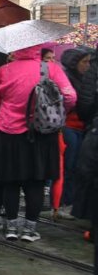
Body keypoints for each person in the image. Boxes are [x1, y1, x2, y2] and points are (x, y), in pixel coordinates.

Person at [0, 43, 76, 242]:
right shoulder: (51, 69)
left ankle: (11, 227)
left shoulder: (5, 70)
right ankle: (29, 230)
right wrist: (58, 113)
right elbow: (70, 96)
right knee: (36, 182)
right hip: (42, 133)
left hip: (9, 133)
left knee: (10, 182)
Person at [59, 48, 96, 219]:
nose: (87, 65)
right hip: (69, 126)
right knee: (70, 166)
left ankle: (70, 200)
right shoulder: (68, 79)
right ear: (74, 63)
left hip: (80, 127)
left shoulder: (84, 79)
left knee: (76, 166)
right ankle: (65, 201)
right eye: (84, 62)